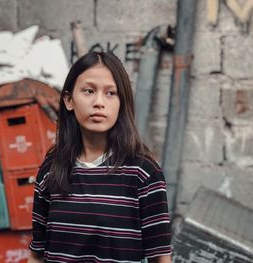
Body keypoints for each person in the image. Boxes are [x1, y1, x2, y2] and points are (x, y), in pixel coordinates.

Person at [27, 51, 172, 263]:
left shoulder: (143, 173)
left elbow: (161, 259)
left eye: (110, 93)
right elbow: (36, 254)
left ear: (122, 102)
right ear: (69, 100)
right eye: (88, 91)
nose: (99, 102)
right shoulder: (51, 169)